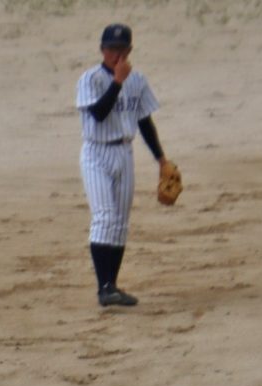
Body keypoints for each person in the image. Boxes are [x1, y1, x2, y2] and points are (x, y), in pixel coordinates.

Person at [76, 22, 169, 307]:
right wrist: (117, 81)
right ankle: (103, 288)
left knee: (119, 224)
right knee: (104, 216)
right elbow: (100, 114)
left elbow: (144, 122)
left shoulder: (138, 81)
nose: (115, 54)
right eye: (110, 49)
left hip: (124, 154)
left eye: (120, 49)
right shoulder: (89, 79)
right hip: (96, 154)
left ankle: (111, 286)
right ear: (101, 50)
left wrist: (161, 160)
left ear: (129, 50)